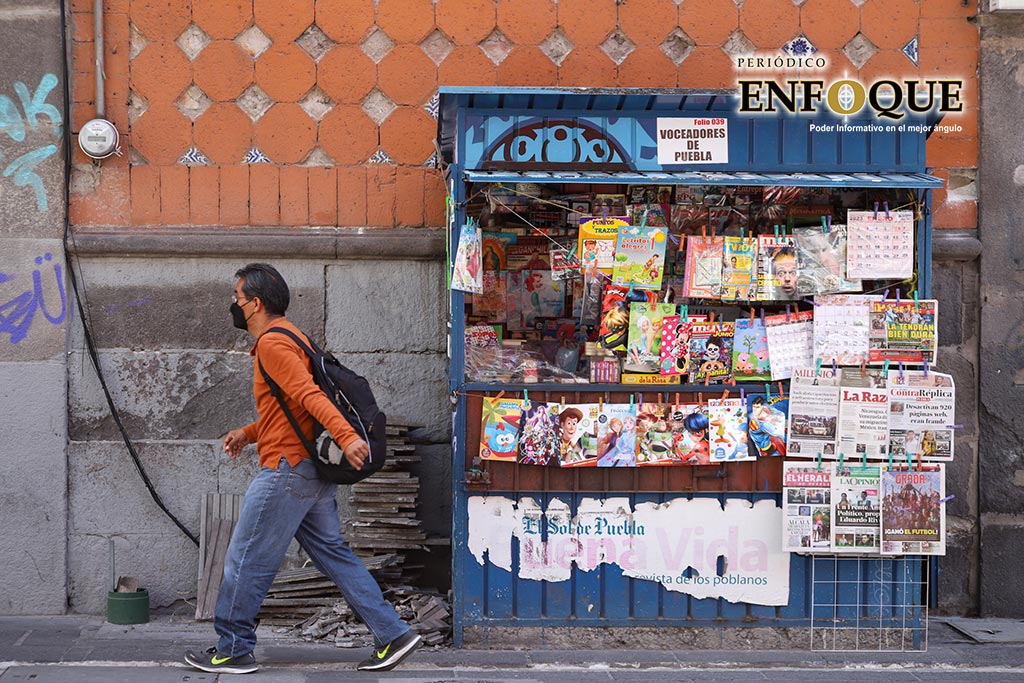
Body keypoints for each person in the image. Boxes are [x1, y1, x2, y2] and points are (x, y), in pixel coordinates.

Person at [185, 264, 420, 675]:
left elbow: (310, 397)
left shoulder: (273, 346)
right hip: (308, 471)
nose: (234, 306)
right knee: (335, 556)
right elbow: (289, 409)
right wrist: (248, 432)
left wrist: (347, 439)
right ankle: (393, 633)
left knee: (244, 558)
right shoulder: (293, 335)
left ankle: (234, 647)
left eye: (237, 299)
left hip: (287, 471)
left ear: (255, 304)